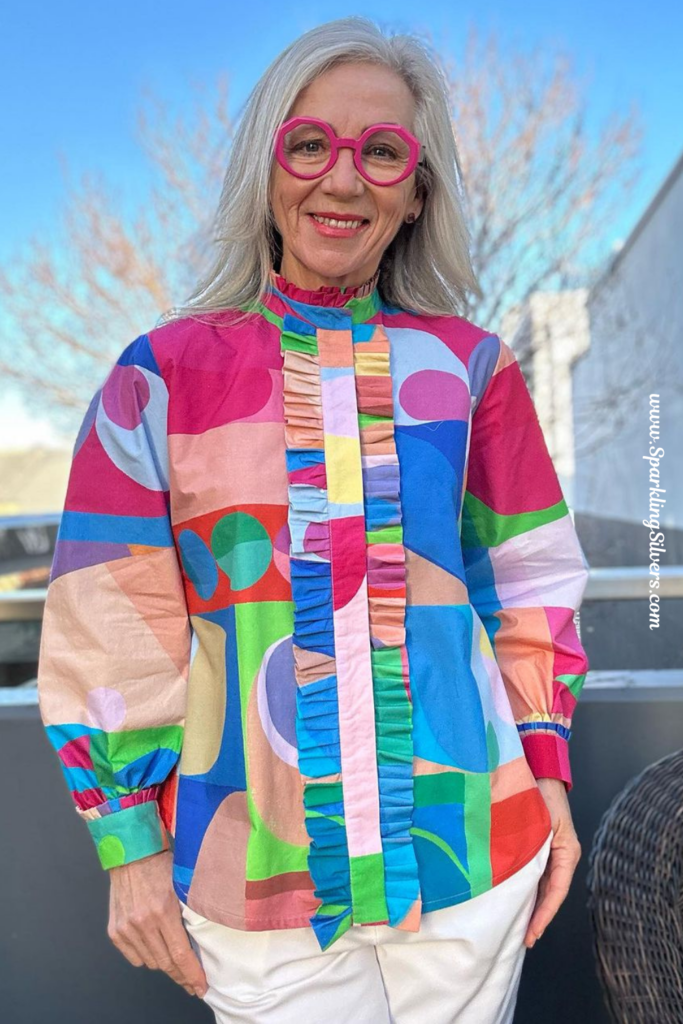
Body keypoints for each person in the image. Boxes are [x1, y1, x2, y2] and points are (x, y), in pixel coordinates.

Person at [37, 15, 590, 1024]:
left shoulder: (473, 369)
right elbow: (105, 628)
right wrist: (127, 845)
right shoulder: (157, 379)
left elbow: (528, 587)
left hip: (469, 852)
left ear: (417, 189)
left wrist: (546, 776)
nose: (343, 179)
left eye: (381, 151)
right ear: (267, 166)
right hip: (253, 878)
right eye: (310, 144)